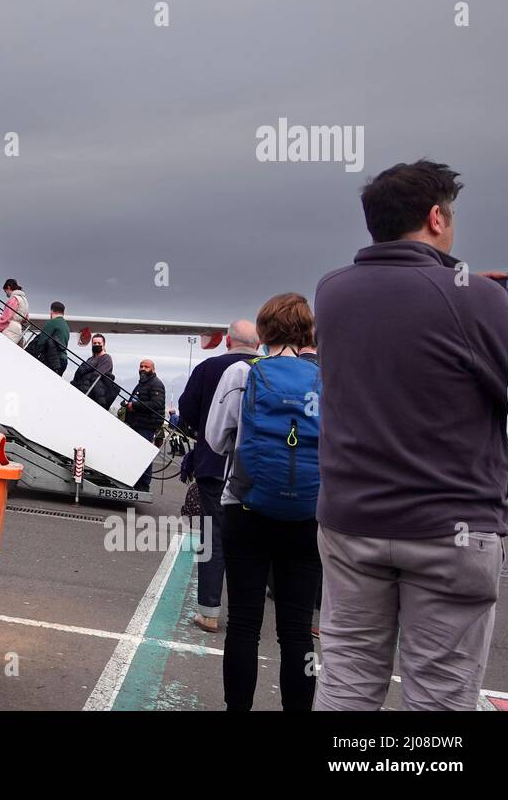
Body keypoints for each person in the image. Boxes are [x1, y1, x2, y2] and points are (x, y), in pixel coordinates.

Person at [314, 160, 508, 711]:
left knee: (347, 675)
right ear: (434, 217)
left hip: (353, 520)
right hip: (453, 526)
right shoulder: (481, 300)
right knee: (441, 692)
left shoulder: (331, 293)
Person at [206, 294, 321, 711]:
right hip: (308, 515)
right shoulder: (327, 379)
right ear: (308, 330)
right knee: (296, 629)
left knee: (243, 623)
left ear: (265, 331)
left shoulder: (242, 372)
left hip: (245, 506)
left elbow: (217, 441)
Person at [177, 319, 260, 634]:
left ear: (228, 341)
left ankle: (209, 611)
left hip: (214, 463)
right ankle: (249, 612)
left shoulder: (208, 368)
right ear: (258, 344)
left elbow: (186, 411)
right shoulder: (268, 370)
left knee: (213, 537)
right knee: (255, 538)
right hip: (258, 468)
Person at [125, 359, 166, 492]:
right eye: (141, 366)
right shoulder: (142, 384)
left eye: (146, 367)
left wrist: (134, 405)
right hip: (137, 423)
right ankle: (136, 481)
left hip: (146, 425)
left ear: (153, 369)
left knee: (144, 455)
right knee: (136, 454)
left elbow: (157, 404)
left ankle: (144, 485)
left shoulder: (156, 384)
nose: (143, 369)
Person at [72, 333, 117, 410]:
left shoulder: (106, 358)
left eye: (99, 343)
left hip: (95, 394)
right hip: (82, 388)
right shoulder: (90, 359)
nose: (96, 345)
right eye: (94, 343)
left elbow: (96, 375)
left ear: (103, 344)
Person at [32, 302, 71, 376]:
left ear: (51, 311)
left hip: (53, 360)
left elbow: (41, 342)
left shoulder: (52, 323)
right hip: (63, 359)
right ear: (63, 312)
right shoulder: (66, 326)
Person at [0, 280, 30, 344]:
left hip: (10, 328)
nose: (6, 294)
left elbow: (7, 316)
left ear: (8, 287)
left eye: (5, 291)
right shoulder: (25, 300)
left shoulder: (14, 299)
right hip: (18, 329)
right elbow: (26, 318)